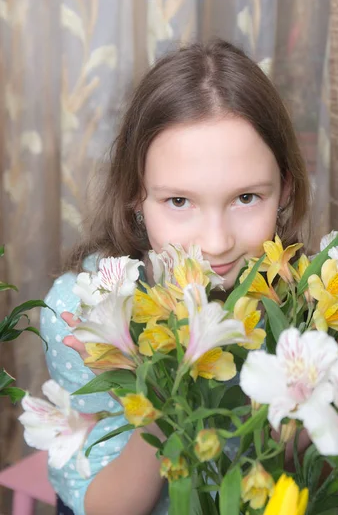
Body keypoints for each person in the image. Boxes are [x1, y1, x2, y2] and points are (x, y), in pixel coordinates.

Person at [40, 39, 311, 515]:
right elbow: (109, 508)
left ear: (284, 188)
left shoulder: (304, 306)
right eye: (179, 202)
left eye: (246, 197)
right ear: (135, 196)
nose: (216, 241)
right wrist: (155, 389)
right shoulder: (85, 309)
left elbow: (306, 482)